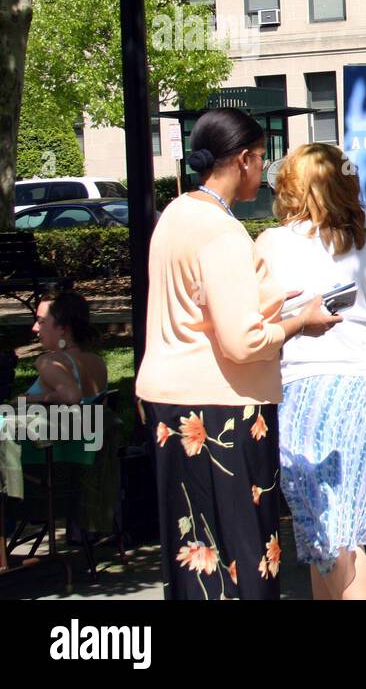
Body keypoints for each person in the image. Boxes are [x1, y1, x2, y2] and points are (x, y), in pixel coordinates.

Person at [137, 108, 341, 600]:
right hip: (222, 409)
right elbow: (242, 342)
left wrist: (269, 303)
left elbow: (199, 309)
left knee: (195, 553)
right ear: (245, 159)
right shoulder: (221, 231)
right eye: (261, 158)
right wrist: (300, 323)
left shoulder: (176, 214)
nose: (263, 170)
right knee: (244, 553)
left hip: (172, 401)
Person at [256, 143, 366, 599]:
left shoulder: (271, 243)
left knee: (326, 531)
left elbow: (251, 323)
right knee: (337, 534)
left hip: (308, 389)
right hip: (364, 389)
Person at [27, 292, 106, 404]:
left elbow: (72, 397)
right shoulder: (97, 361)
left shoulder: (49, 362)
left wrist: (25, 399)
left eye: (41, 321)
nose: (35, 328)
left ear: (62, 328)